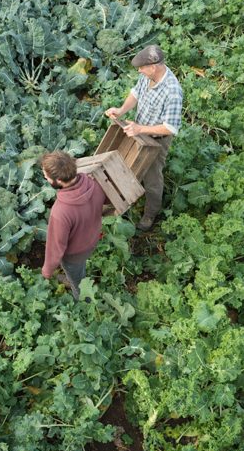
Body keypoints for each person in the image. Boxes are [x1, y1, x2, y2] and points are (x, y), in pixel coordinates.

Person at [105, 45, 183, 231]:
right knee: (129, 163)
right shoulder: (147, 76)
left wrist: (141, 128)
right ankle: (127, 196)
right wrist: (122, 110)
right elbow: (135, 93)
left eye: (142, 68)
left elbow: (170, 127)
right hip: (138, 132)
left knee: (152, 178)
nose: (139, 71)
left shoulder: (172, 91)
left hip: (156, 140)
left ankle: (150, 214)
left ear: (154, 67)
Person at [41, 151, 107, 299]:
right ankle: (79, 277)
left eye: (46, 176)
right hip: (92, 240)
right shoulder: (95, 185)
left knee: (78, 284)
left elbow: (56, 247)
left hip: (75, 254)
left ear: (58, 180)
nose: (45, 178)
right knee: (80, 269)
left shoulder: (61, 211)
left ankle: (84, 302)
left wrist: (47, 271)